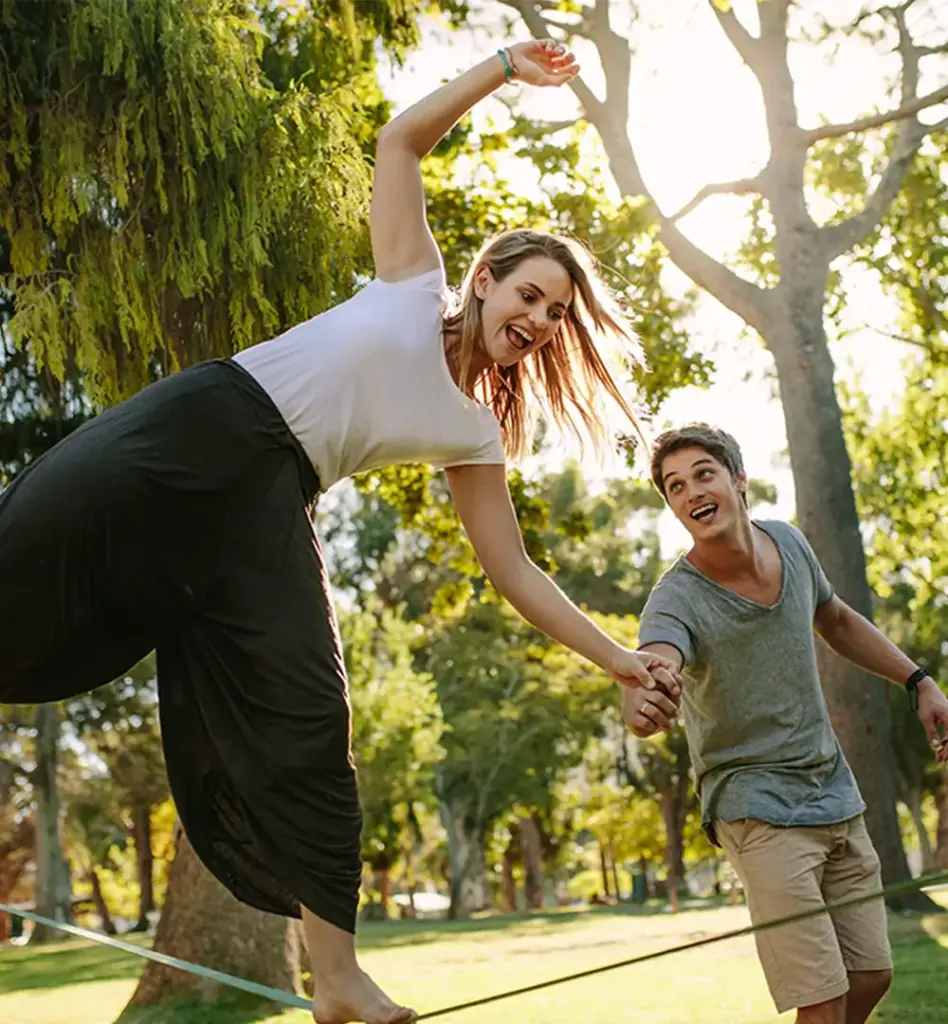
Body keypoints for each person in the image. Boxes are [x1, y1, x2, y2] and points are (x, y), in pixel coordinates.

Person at [0, 40, 681, 1024]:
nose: (536, 320)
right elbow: (399, 141)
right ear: (485, 278)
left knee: (310, 718)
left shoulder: (475, 431)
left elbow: (515, 570)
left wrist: (617, 658)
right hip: (191, 432)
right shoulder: (411, 283)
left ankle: (339, 980)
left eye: (555, 314)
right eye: (528, 294)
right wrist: (500, 68)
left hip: (264, 508)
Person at [623, 423, 948, 1024]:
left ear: (738, 480)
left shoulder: (790, 544)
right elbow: (657, 656)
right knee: (822, 1002)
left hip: (832, 791)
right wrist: (647, 692)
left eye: (703, 474)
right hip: (755, 806)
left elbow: (838, 619)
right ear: (670, 506)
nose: (690, 491)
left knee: (871, 976)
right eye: (674, 486)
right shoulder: (676, 599)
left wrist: (917, 681)